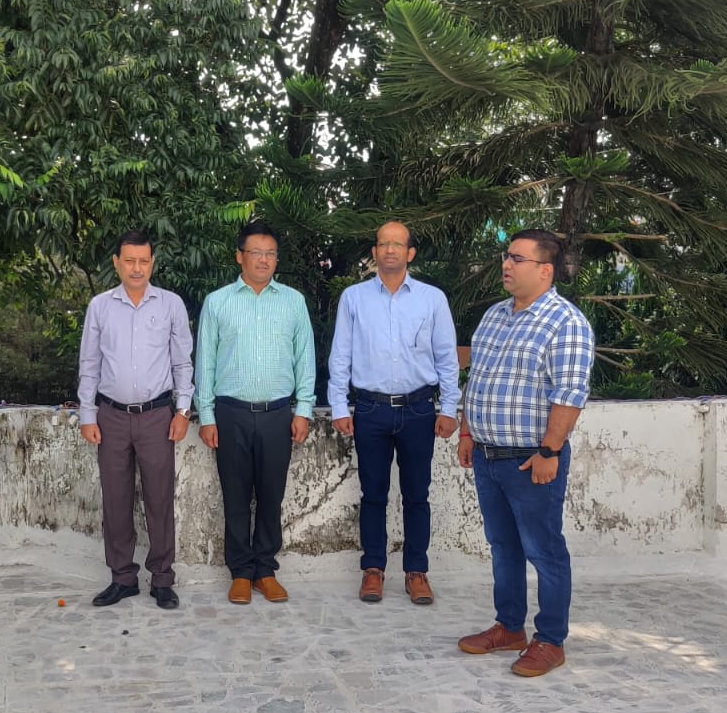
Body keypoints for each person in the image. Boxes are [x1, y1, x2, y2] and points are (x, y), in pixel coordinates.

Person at [455, 230, 595, 678]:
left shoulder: (565, 322)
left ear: (545, 270)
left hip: (532, 459)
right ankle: (509, 627)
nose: (507, 264)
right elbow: (477, 379)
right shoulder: (495, 315)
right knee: (503, 547)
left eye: (517, 258)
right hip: (487, 455)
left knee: (544, 550)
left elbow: (569, 394)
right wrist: (467, 431)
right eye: (506, 256)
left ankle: (550, 640)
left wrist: (550, 451)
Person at [328, 221, 460, 604]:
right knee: (373, 494)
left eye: (397, 244)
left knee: (417, 495)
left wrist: (449, 407)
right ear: (374, 251)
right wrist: (339, 405)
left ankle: (416, 572)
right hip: (370, 409)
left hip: (419, 410)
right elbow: (341, 355)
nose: (390, 250)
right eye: (383, 243)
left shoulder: (432, 299)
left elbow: (446, 358)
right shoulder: (354, 298)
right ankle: (373, 569)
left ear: (410, 253)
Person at [194, 219, 315, 604]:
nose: (263, 260)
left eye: (270, 254)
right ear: (239, 257)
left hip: (278, 414)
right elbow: (205, 363)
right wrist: (206, 415)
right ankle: (240, 572)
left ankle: (265, 569)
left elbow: (305, 358)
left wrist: (304, 409)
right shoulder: (218, 302)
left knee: (271, 494)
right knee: (235, 495)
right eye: (256, 253)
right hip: (231, 413)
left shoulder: (293, 301)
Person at [77, 230, 194, 610]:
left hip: (157, 416)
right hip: (110, 416)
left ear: (152, 263)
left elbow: (182, 362)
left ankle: (162, 579)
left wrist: (182, 410)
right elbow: (90, 363)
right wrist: (87, 414)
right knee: (115, 499)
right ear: (117, 263)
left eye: (144, 261)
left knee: (160, 499)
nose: (137, 268)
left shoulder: (171, 304)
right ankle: (122, 578)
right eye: (129, 261)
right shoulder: (100, 307)